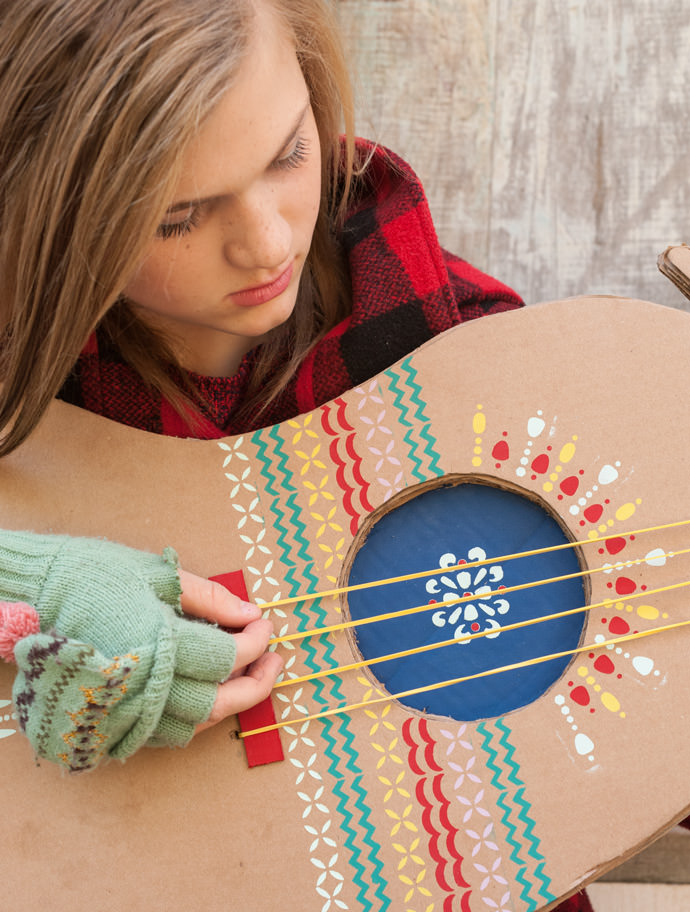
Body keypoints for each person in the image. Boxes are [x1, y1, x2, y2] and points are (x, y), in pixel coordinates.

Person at [0, 1, 594, 909]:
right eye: (177, 217)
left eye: (286, 154)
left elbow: (611, 735)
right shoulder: (21, 385)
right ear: (50, 206)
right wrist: (25, 578)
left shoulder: (473, 359)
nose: (268, 242)